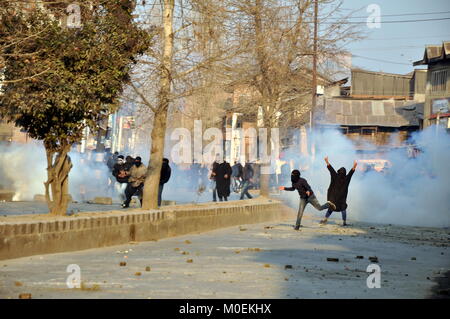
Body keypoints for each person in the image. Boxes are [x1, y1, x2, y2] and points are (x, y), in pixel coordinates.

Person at [320, 157, 357, 226]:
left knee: (331, 208)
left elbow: (331, 170)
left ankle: (325, 219)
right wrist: (354, 166)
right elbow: (351, 173)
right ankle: (344, 222)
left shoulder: (335, 176)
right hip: (342, 198)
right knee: (343, 209)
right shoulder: (346, 178)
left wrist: (326, 161)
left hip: (333, 197)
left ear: (339, 171)